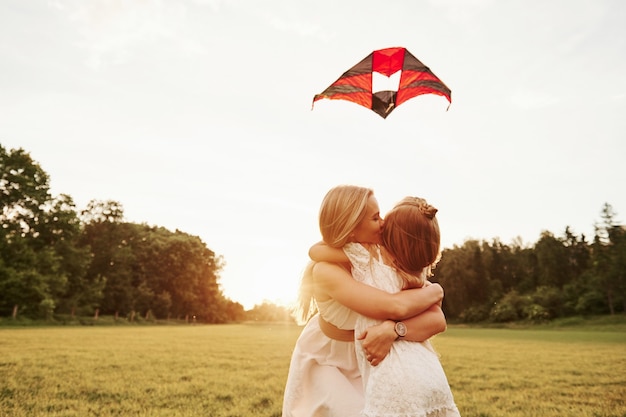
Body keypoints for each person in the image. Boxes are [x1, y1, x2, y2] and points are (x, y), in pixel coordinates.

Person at [282, 186, 447, 417]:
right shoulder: (328, 270)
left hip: (370, 355)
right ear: (350, 229)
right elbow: (395, 306)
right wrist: (435, 291)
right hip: (330, 359)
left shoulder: (383, 258)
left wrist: (394, 329)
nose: (383, 223)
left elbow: (437, 319)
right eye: (375, 218)